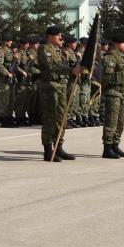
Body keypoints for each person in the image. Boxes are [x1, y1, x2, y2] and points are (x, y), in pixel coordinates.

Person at [38, 26, 83, 162]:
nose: (61, 39)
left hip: (61, 87)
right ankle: (48, 150)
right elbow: (52, 67)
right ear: (51, 36)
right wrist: (71, 71)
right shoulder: (45, 49)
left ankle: (59, 146)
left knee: (61, 119)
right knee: (50, 119)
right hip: (50, 87)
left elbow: (66, 65)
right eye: (59, 36)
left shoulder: (59, 51)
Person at [100, 35, 124, 159]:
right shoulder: (111, 56)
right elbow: (107, 76)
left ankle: (115, 145)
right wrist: (105, 89)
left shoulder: (121, 56)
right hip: (113, 92)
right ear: (117, 44)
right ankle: (107, 148)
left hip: (121, 93)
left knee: (120, 121)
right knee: (111, 120)